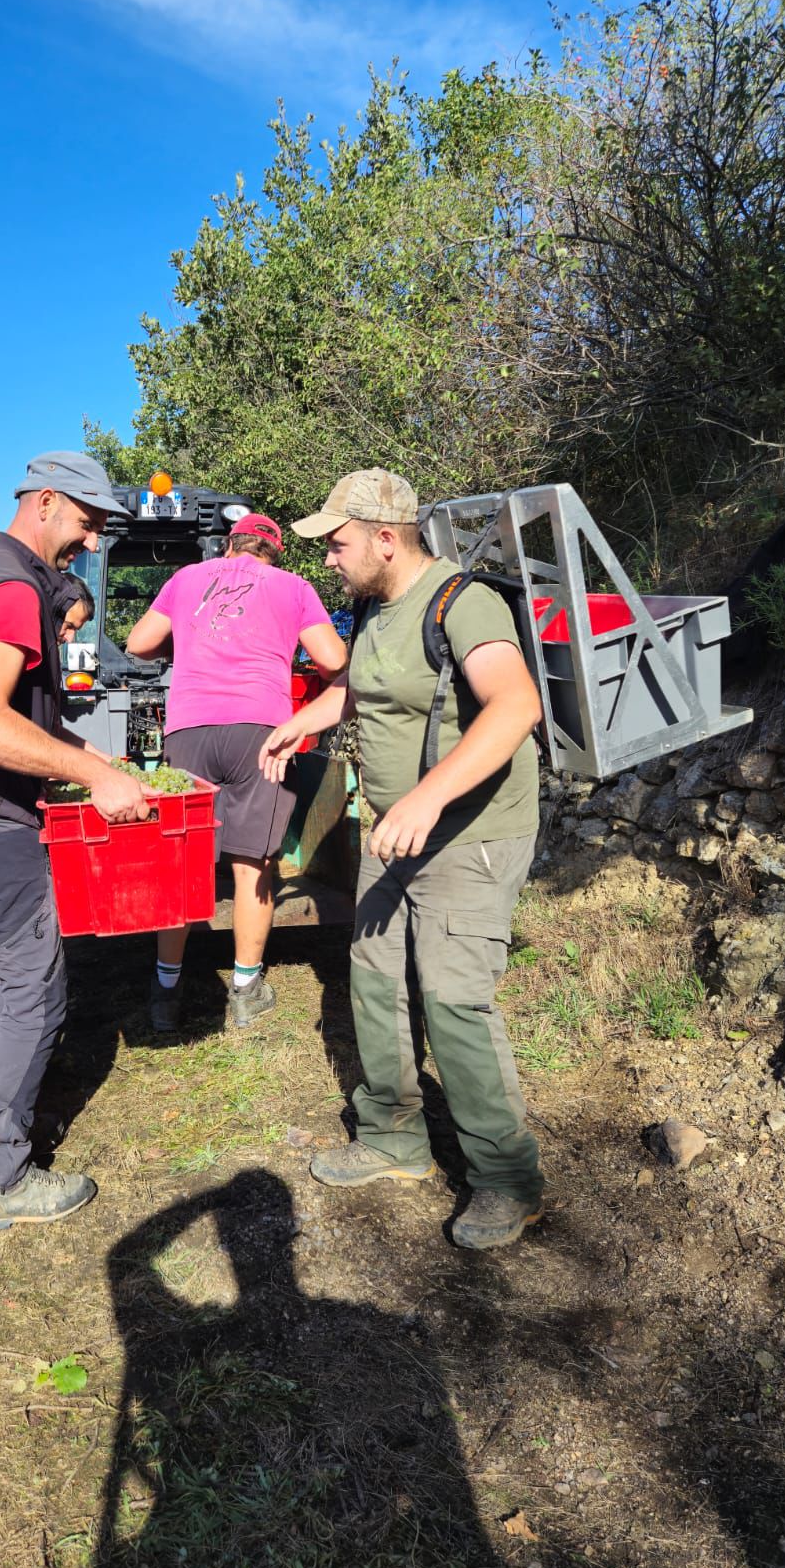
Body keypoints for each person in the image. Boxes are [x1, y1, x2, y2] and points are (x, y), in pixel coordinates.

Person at [259, 468, 545, 1250]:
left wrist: (426, 797)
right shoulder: (373, 606)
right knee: (376, 980)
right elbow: (358, 688)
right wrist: (304, 724)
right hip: (392, 833)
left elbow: (517, 705)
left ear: (387, 539)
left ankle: (507, 1181)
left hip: (470, 834)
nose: (328, 558)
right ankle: (393, 1138)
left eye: (339, 544)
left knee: (453, 1002)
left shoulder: (464, 603)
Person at [0, 450, 149, 1232]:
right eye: (87, 523)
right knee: (36, 992)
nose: (90, 542)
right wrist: (90, 770)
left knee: (21, 986)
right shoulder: (15, 587)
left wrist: (83, 763)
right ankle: (4, 1180)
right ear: (46, 502)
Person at [126, 510, 347, 1031]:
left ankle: (165, 990)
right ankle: (246, 991)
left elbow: (138, 642)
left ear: (231, 545)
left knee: (183, 859)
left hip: (189, 729)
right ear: (274, 552)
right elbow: (334, 658)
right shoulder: (292, 587)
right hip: (261, 732)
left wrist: (184, 639)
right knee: (254, 864)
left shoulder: (185, 580)